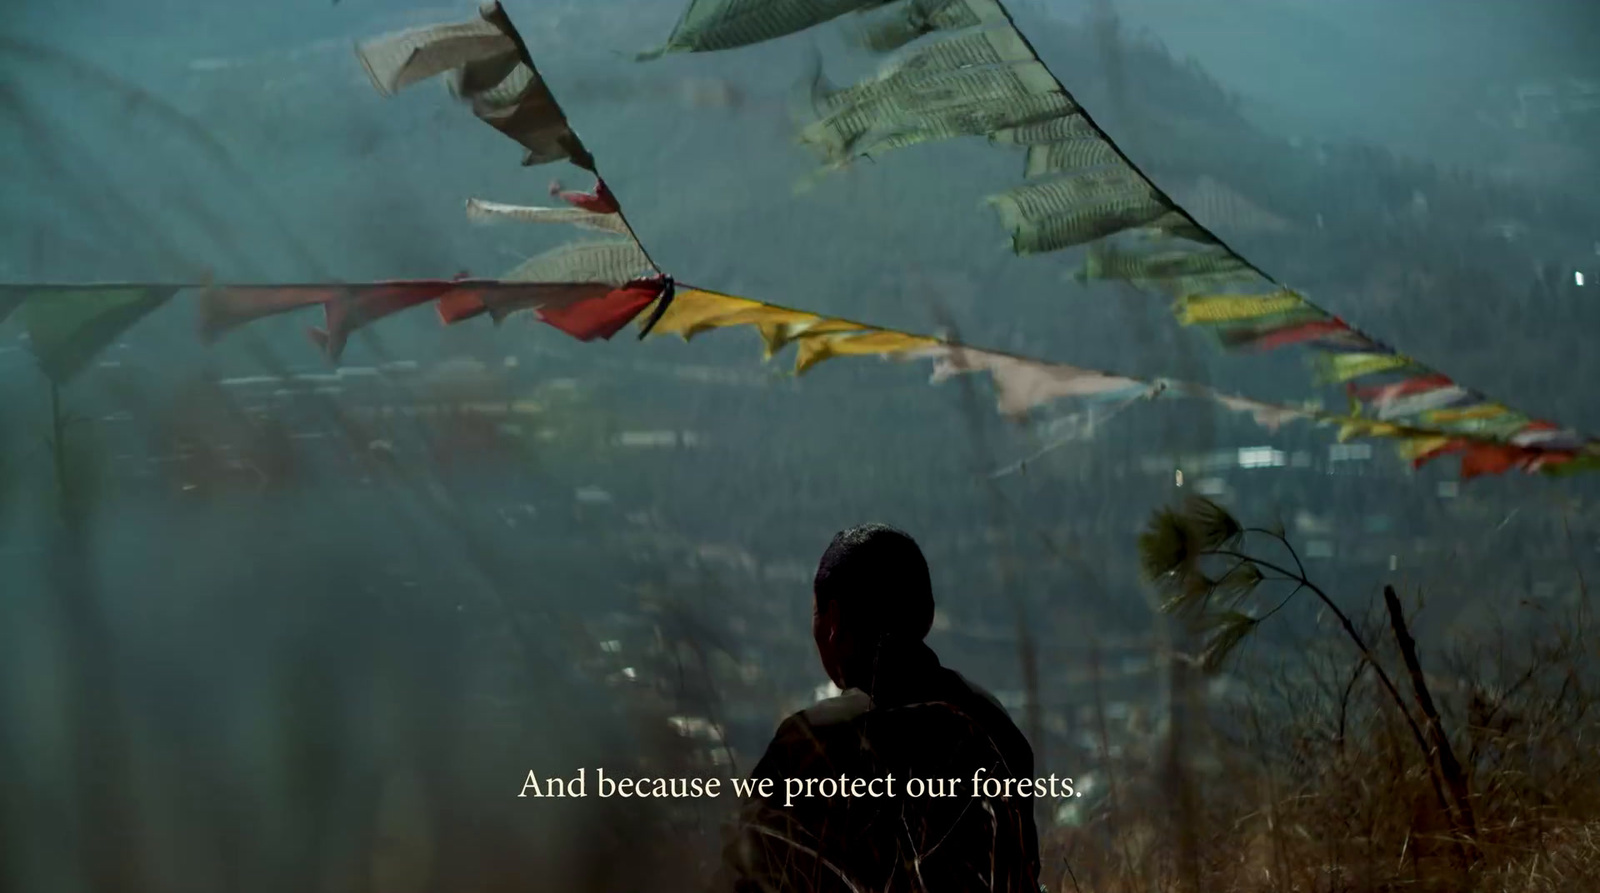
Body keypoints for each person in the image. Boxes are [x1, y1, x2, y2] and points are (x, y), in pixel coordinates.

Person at [717, 524, 1041, 893]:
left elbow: (744, 881)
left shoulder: (810, 743)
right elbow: (1024, 874)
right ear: (929, 616)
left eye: (816, 614)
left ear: (834, 620)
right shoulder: (996, 726)